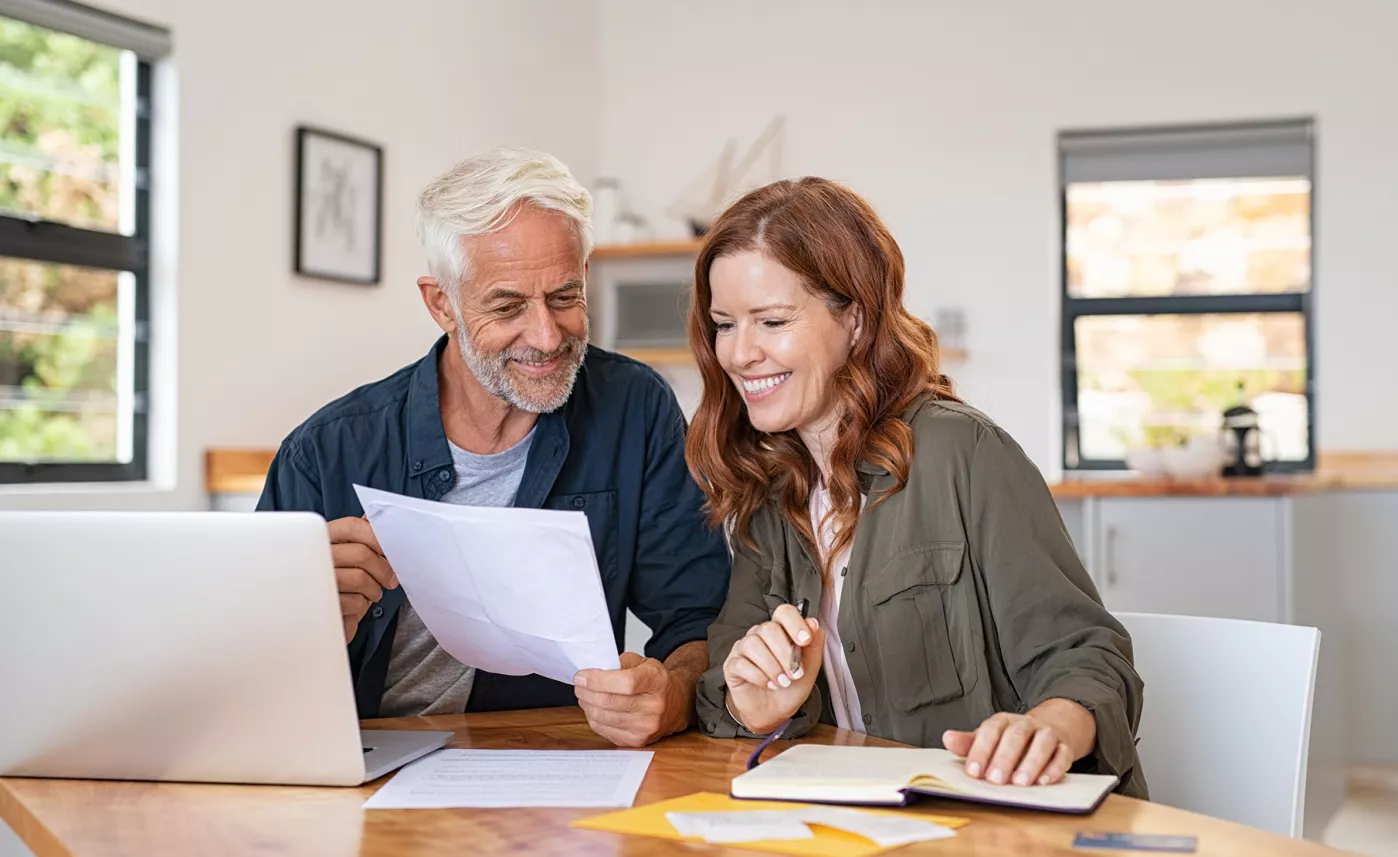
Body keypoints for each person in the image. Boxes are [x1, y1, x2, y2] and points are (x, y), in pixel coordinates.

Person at [687, 177, 1147, 796]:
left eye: (772, 321)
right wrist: (757, 704)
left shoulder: (964, 453)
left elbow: (1090, 658)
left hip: (994, 826)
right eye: (724, 324)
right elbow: (722, 684)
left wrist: (1049, 728)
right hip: (861, 824)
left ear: (854, 319)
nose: (740, 354)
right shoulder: (773, 491)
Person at [258, 148, 730, 747]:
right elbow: (245, 668)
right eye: (507, 306)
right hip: (361, 760)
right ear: (441, 304)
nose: (546, 336)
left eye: (565, 297)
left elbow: (698, 619)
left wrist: (672, 694)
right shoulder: (325, 451)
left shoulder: (634, 408)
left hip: (545, 761)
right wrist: (303, 616)